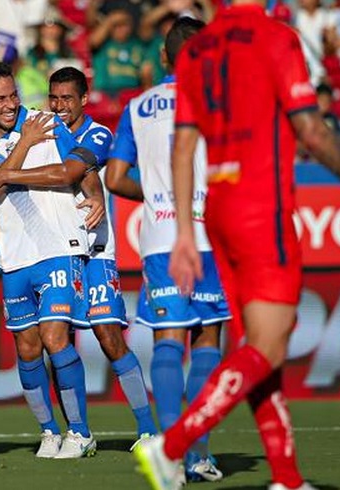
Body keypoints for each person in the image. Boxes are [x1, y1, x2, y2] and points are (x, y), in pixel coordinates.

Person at [132, 2, 340, 490]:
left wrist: (186, 229)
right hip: (261, 205)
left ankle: (287, 478)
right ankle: (174, 445)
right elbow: (309, 126)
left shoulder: (198, 50)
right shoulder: (277, 37)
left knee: (261, 349)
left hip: (218, 213)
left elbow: (184, 146)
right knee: (269, 344)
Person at [105, 19, 229, 483]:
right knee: (207, 345)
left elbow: (115, 179)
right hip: (209, 234)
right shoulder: (218, 101)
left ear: (162, 57)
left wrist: (159, 196)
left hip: (160, 238)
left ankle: (168, 454)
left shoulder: (137, 107)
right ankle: (199, 454)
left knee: (167, 342)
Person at [0, 61, 105, 459]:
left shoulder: (45, 121)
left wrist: (94, 194)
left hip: (59, 246)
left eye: (13, 95)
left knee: (54, 338)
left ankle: (80, 432)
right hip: (14, 256)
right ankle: (49, 431)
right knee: (27, 350)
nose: (10, 104)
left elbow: (79, 167)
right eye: (0, 99)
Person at [48, 66, 158, 448]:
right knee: (56, 340)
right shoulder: (43, 132)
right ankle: (79, 432)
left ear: (83, 99)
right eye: (54, 98)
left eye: (67, 98)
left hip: (95, 252)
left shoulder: (98, 134)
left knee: (109, 336)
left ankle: (147, 429)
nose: (60, 106)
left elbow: (72, 170)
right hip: (57, 253)